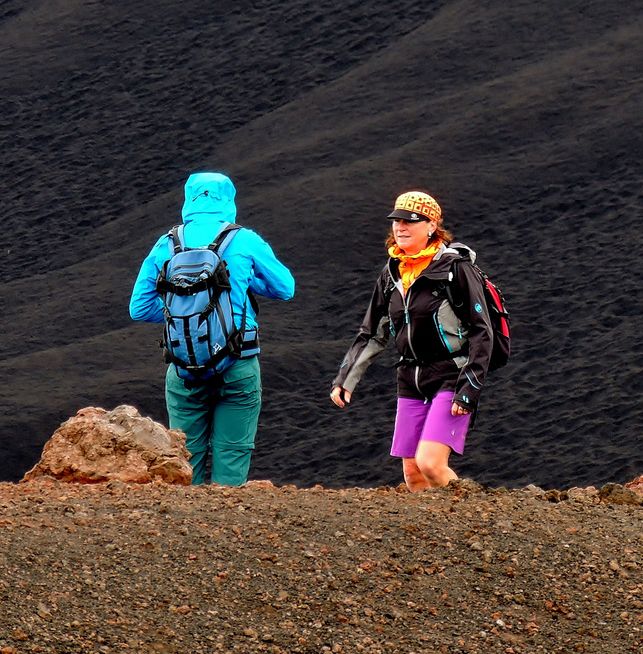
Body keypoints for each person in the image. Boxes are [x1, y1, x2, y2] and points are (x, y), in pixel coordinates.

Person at [130, 172, 294, 486]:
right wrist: (241, 285)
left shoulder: (167, 244)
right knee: (231, 460)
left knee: (184, 461)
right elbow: (285, 288)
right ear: (229, 200)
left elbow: (138, 308)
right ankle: (225, 528)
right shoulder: (244, 240)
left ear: (188, 199)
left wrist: (182, 316)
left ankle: (182, 530)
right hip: (238, 362)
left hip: (183, 367)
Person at [330, 191, 495, 490]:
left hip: (451, 374)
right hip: (409, 377)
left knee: (430, 463)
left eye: (411, 221)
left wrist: (469, 387)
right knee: (413, 473)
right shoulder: (392, 272)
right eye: (397, 221)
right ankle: (435, 534)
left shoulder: (456, 269)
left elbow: (482, 331)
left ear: (432, 225)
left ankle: (474, 520)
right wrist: (346, 378)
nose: (401, 227)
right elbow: (371, 332)